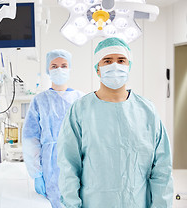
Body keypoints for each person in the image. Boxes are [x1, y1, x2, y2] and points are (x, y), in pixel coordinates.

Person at [57, 37, 174, 207]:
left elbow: (162, 170)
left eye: (121, 60)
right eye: (107, 61)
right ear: (98, 69)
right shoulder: (80, 111)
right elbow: (69, 166)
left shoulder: (147, 111)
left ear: (129, 66)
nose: (115, 65)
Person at [22, 49, 85, 208]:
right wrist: (36, 174)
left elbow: (91, 136)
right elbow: (31, 139)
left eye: (64, 65)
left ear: (70, 68)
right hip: (50, 165)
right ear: (47, 70)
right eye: (54, 66)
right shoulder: (39, 101)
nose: (59, 69)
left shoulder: (81, 99)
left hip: (78, 161)